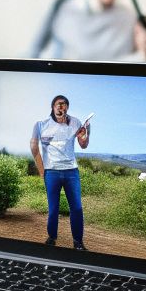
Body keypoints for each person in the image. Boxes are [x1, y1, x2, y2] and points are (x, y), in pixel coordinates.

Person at [30, 93, 89, 249]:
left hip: (71, 172)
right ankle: (52, 237)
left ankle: (78, 242)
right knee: (53, 209)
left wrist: (86, 134)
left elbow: (83, 145)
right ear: (53, 107)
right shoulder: (41, 125)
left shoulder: (75, 122)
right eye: (58, 104)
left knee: (76, 208)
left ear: (67, 107)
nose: (61, 106)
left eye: (64, 104)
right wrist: (42, 171)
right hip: (52, 172)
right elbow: (34, 148)